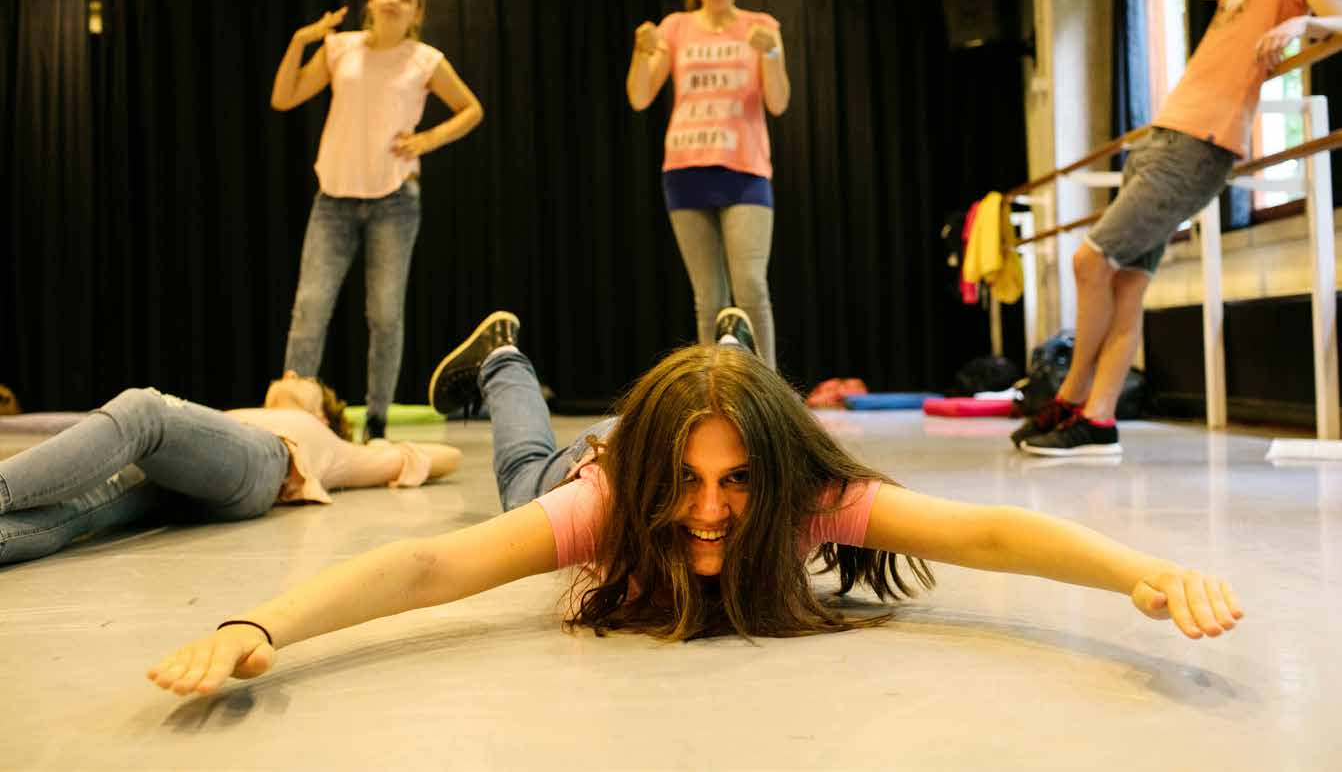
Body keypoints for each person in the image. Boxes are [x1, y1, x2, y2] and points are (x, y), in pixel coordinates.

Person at [148, 310, 1240, 698]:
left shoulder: (805, 495)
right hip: (592, 466)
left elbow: (990, 527)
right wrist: (263, 623)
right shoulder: (615, 504)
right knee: (523, 457)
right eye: (694, 481)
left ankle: (734, 354)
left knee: (729, 401)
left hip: (668, 444)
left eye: (736, 483)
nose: (712, 512)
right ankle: (504, 357)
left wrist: (1137, 574)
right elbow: (430, 569)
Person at [1015, 0, 1342, 456]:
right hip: (1166, 139)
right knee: (1125, 285)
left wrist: (1306, 20)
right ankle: (1101, 419)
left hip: (1201, 145)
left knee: (1092, 261)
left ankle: (1071, 394)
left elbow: (1338, 15)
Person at [272, 0, 484, 441]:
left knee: (384, 314)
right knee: (309, 306)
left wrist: (427, 140)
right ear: (371, 1)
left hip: (394, 200)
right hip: (334, 198)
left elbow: (472, 109)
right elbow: (284, 97)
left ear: (416, 14)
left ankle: (377, 421)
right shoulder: (338, 48)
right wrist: (302, 40)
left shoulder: (424, 59)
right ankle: (290, 417)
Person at [0, 373, 461, 566]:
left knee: (144, 409)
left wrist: (381, 444)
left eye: (306, 380)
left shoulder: (332, 444)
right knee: (83, 507)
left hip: (265, 463)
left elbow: (448, 458)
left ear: (323, 413)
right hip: (195, 476)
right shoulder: (233, 420)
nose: (294, 373)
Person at [626, 0, 789, 370]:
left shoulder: (763, 26)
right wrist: (641, 54)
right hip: (685, 169)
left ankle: (769, 392)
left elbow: (778, 102)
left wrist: (770, 54)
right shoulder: (676, 27)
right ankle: (715, 390)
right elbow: (640, 97)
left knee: (751, 285)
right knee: (708, 297)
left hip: (745, 169)